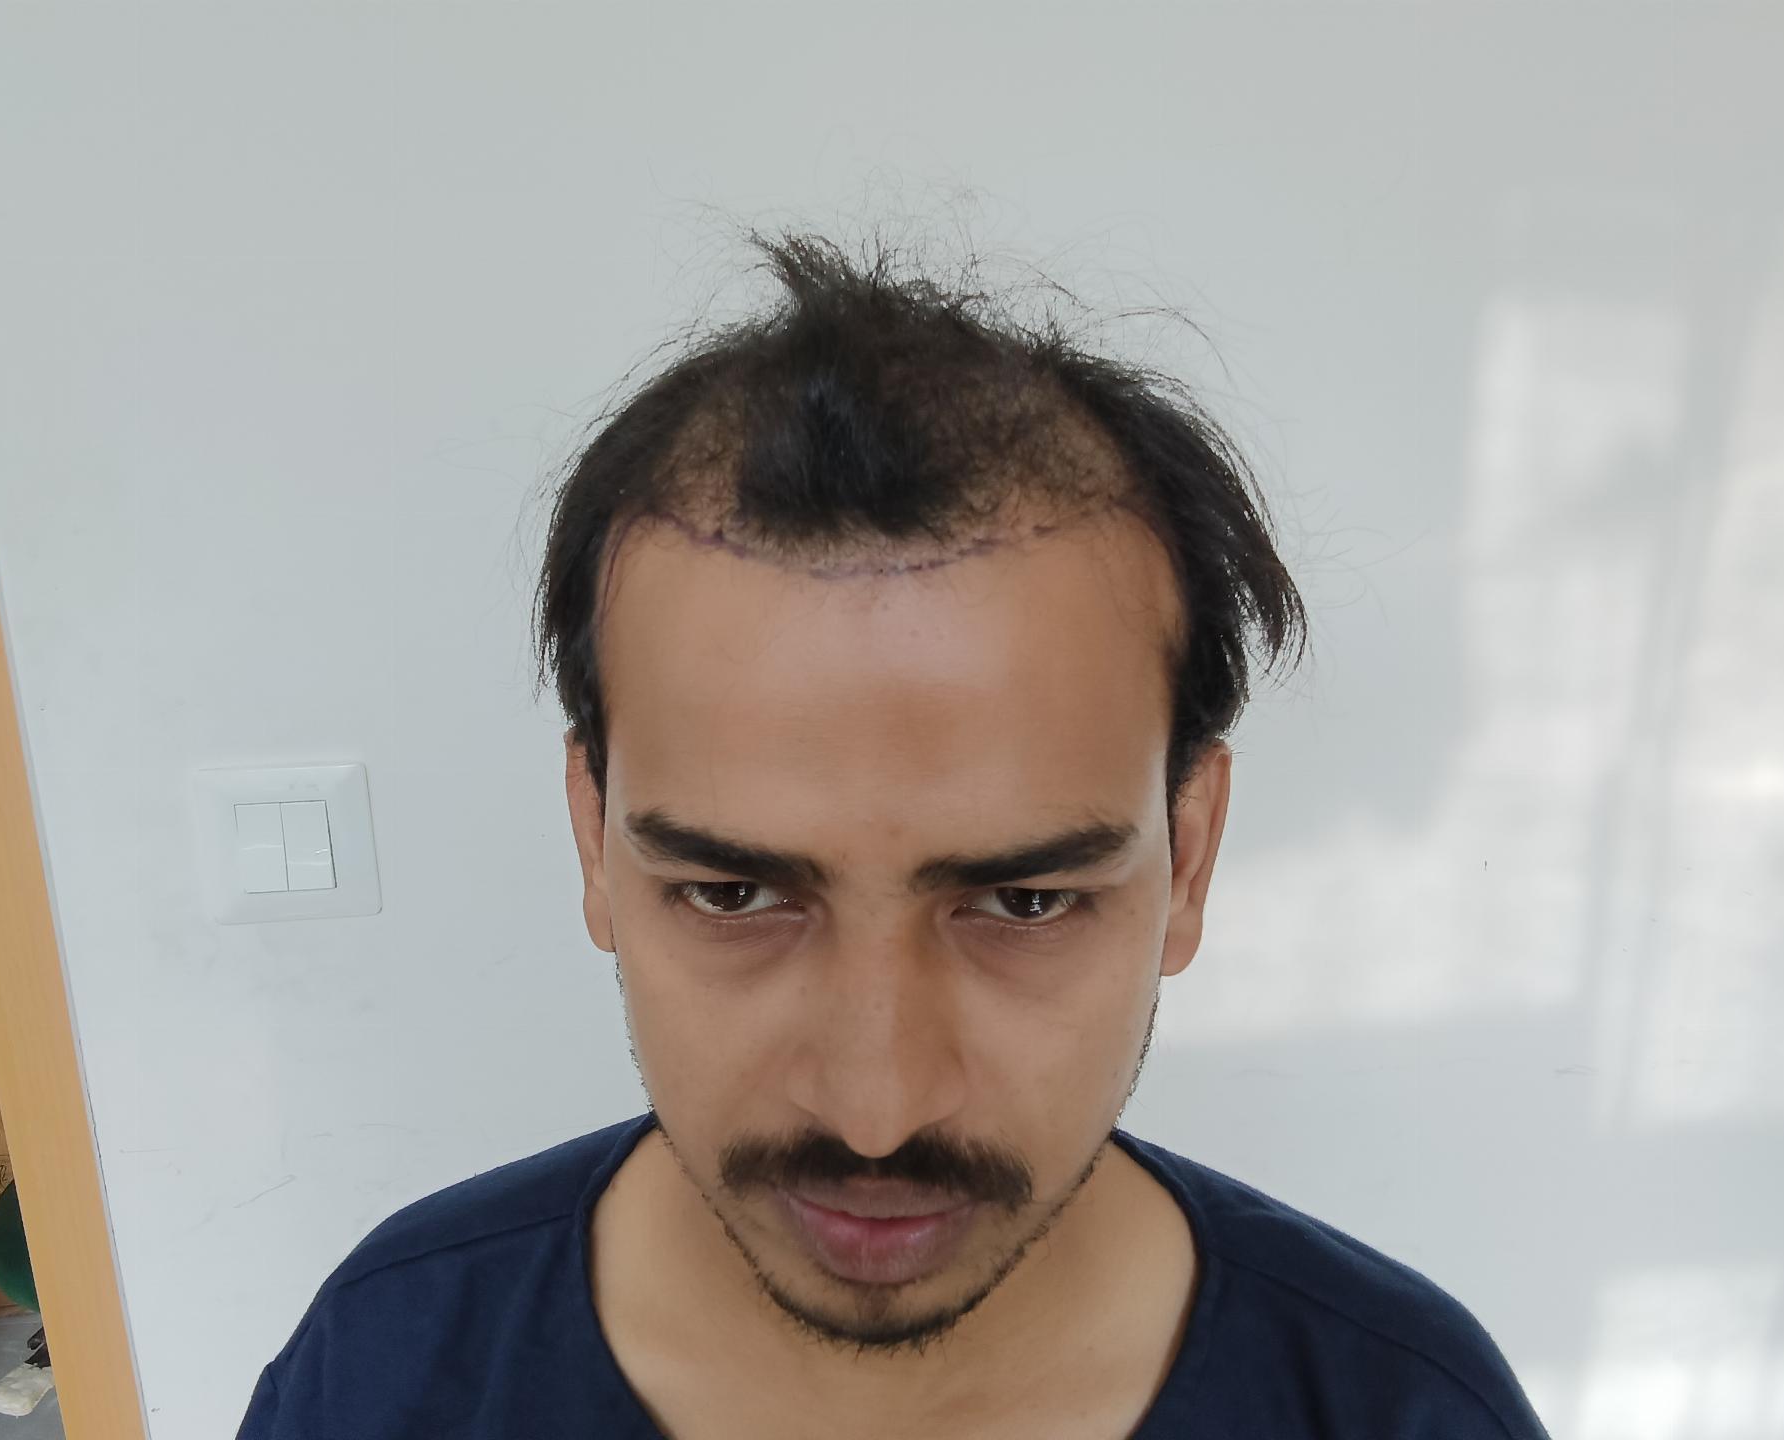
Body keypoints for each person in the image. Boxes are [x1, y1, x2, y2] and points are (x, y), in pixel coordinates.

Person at [236, 233, 1551, 1439]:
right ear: (594, 843)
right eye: (732, 894)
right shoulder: (383, 1372)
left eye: (1026, 902)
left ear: (1189, 859)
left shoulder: (1404, 1413)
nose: (876, 1110)